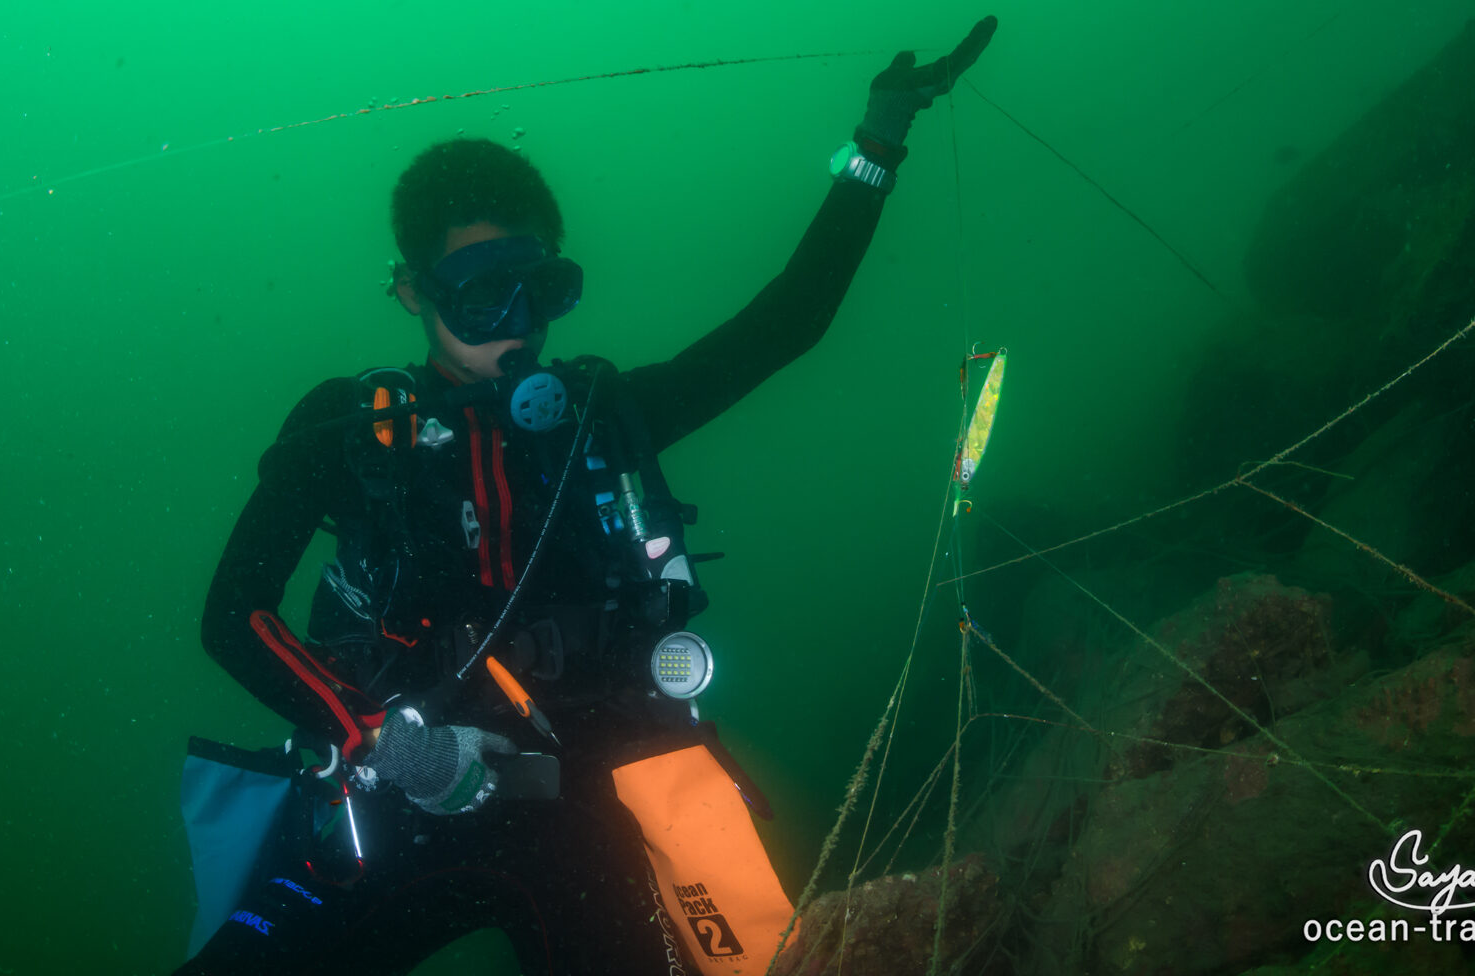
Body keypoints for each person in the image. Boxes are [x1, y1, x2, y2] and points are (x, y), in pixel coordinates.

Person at [177, 17, 996, 975]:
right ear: (411, 293)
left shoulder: (601, 417)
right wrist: (388, 745)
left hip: (592, 805)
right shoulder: (352, 432)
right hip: (397, 793)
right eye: (480, 296)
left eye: (540, 289)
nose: (516, 326)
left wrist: (877, 147)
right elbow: (232, 615)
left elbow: (789, 323)